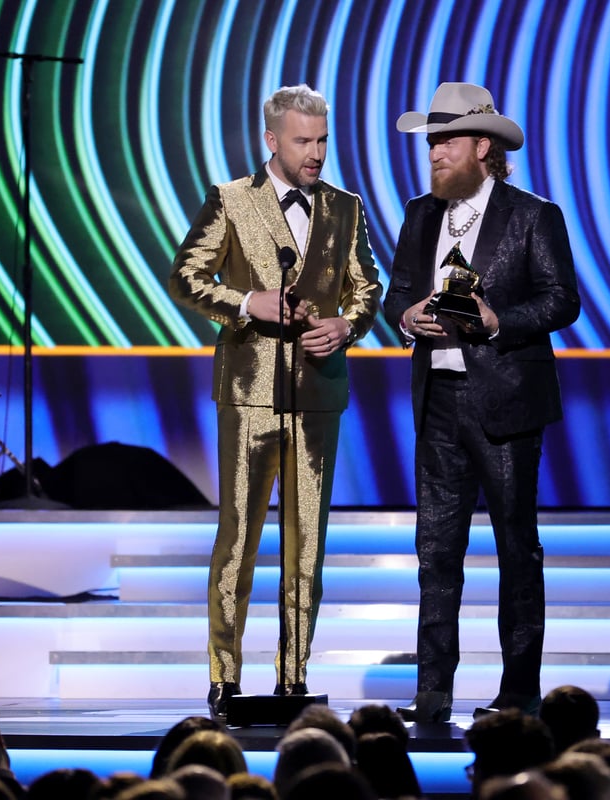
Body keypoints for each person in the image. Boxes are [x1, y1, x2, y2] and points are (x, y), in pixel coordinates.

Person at [169, 84, 382, 716]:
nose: (316, 154)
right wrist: (243, 303)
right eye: (303, 142)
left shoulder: (345, 207)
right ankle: (225, 676)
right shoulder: (232, 201)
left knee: (306, 543)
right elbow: (186, 275)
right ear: (272, 140)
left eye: (322, 141)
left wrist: (349, 324)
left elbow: (366, 287)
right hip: (249, 393)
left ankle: (293, 677)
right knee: (238, 537)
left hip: (318, 392)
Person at [384, 82, 581, 722]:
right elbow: (396, 295)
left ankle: (519, 692)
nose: (434, 152)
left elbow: (561, 300)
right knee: (435, 550)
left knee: (514, 549)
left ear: (483, 146)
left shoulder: (531, 216)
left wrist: (498, 322)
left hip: (503, 406)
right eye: (431, 141)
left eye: (445, 140)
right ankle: (433, 692)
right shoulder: (420, 214)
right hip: (438, 400)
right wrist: (408, 314)